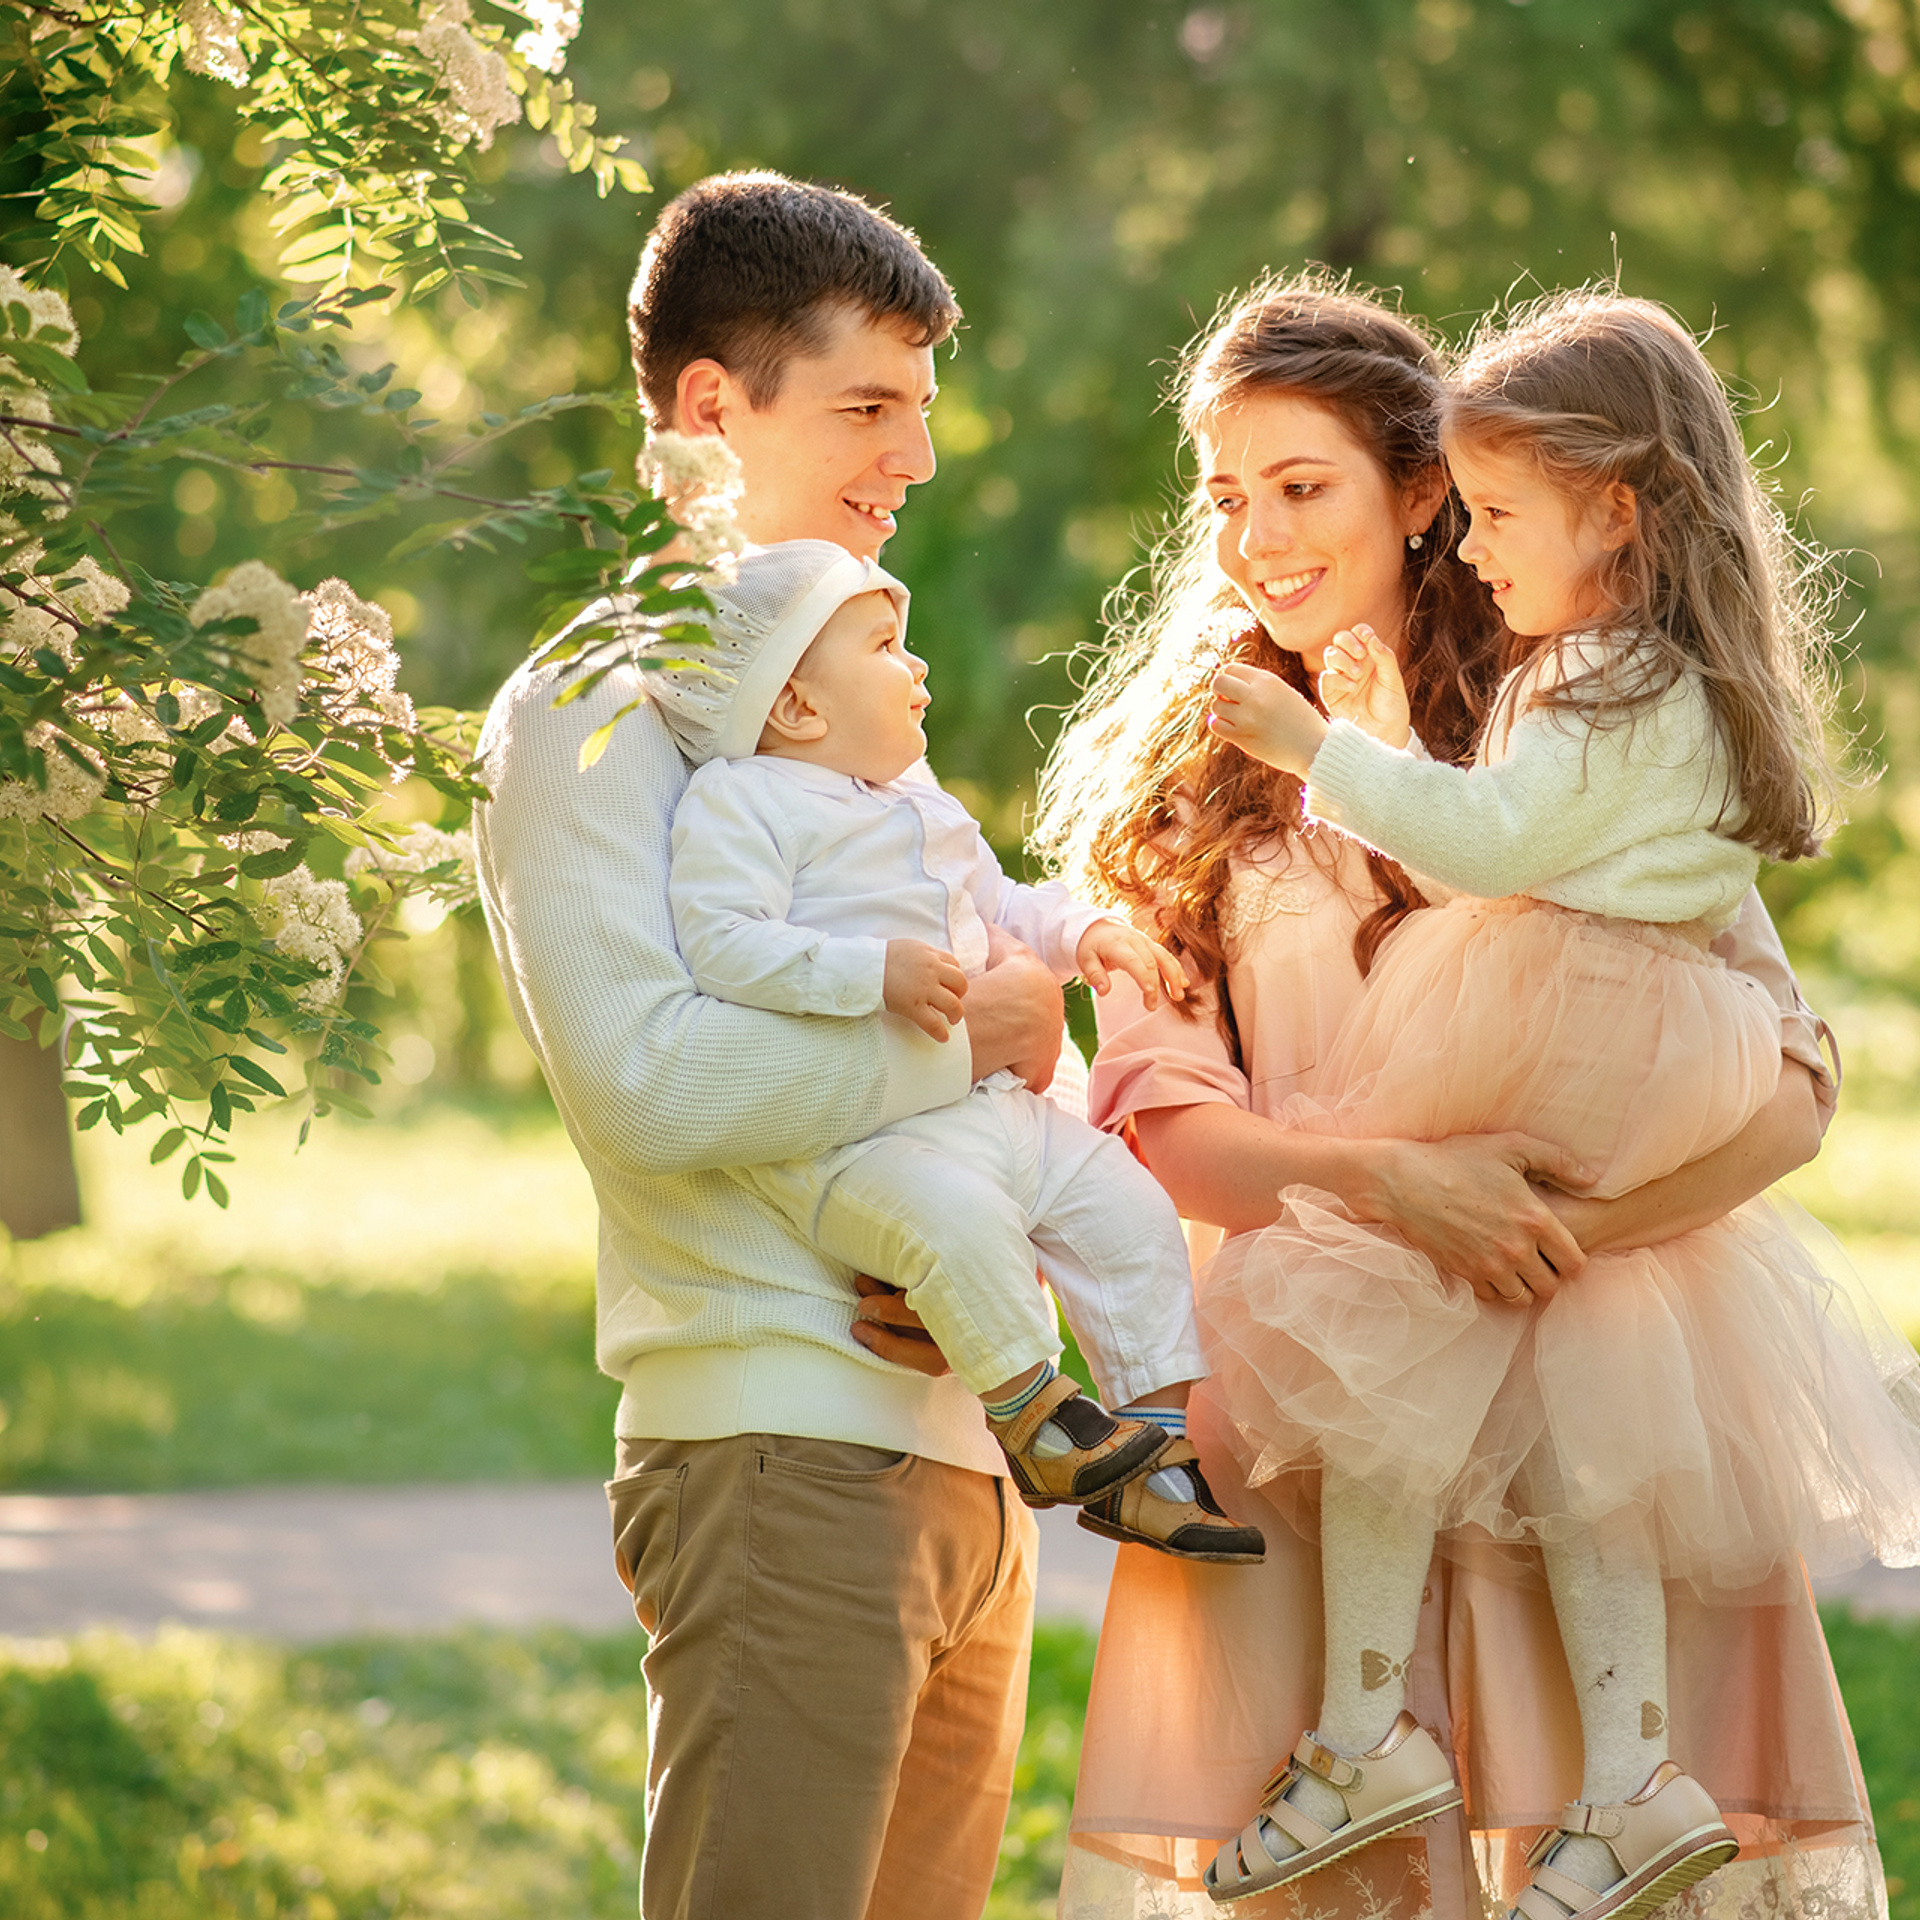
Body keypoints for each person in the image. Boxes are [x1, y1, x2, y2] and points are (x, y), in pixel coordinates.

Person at [1034, 273, 1893, 1920]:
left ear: (1426, 493)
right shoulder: (1194, 797)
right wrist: (1397, 1187)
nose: (1255, 539)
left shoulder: (1576, 734)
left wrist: (1580, 1232)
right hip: (1333, 1423)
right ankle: (1366, 1746)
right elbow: (1166, 1130)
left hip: (1598, 1398)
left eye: (1303, 489)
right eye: (1225, 498)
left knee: (1617, 1823)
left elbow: (1790, 1071)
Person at [474, 171, 1066, 1920]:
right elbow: (648, 1082)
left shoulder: (855, 701)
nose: (917, 459)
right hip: (781, 1451)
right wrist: (970, 1057)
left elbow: (1012, 1033)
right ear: (711, 416)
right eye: (869, 407)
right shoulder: (588, 707)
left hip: (963, 1453)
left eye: (927, 412)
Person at [649, 536, 1262, 1557]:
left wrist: (1084, 932)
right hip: (875, 1137)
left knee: (1128, 1209)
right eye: (887, 646)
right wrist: (869, 973)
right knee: (959, 1228)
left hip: (995, 1110)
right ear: (798, 707)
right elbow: (722, 944)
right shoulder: (741, 801)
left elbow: (1006, 907)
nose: (918, 665)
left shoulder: (921, 802)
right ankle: (1037, 1416)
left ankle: (1155, 1449)